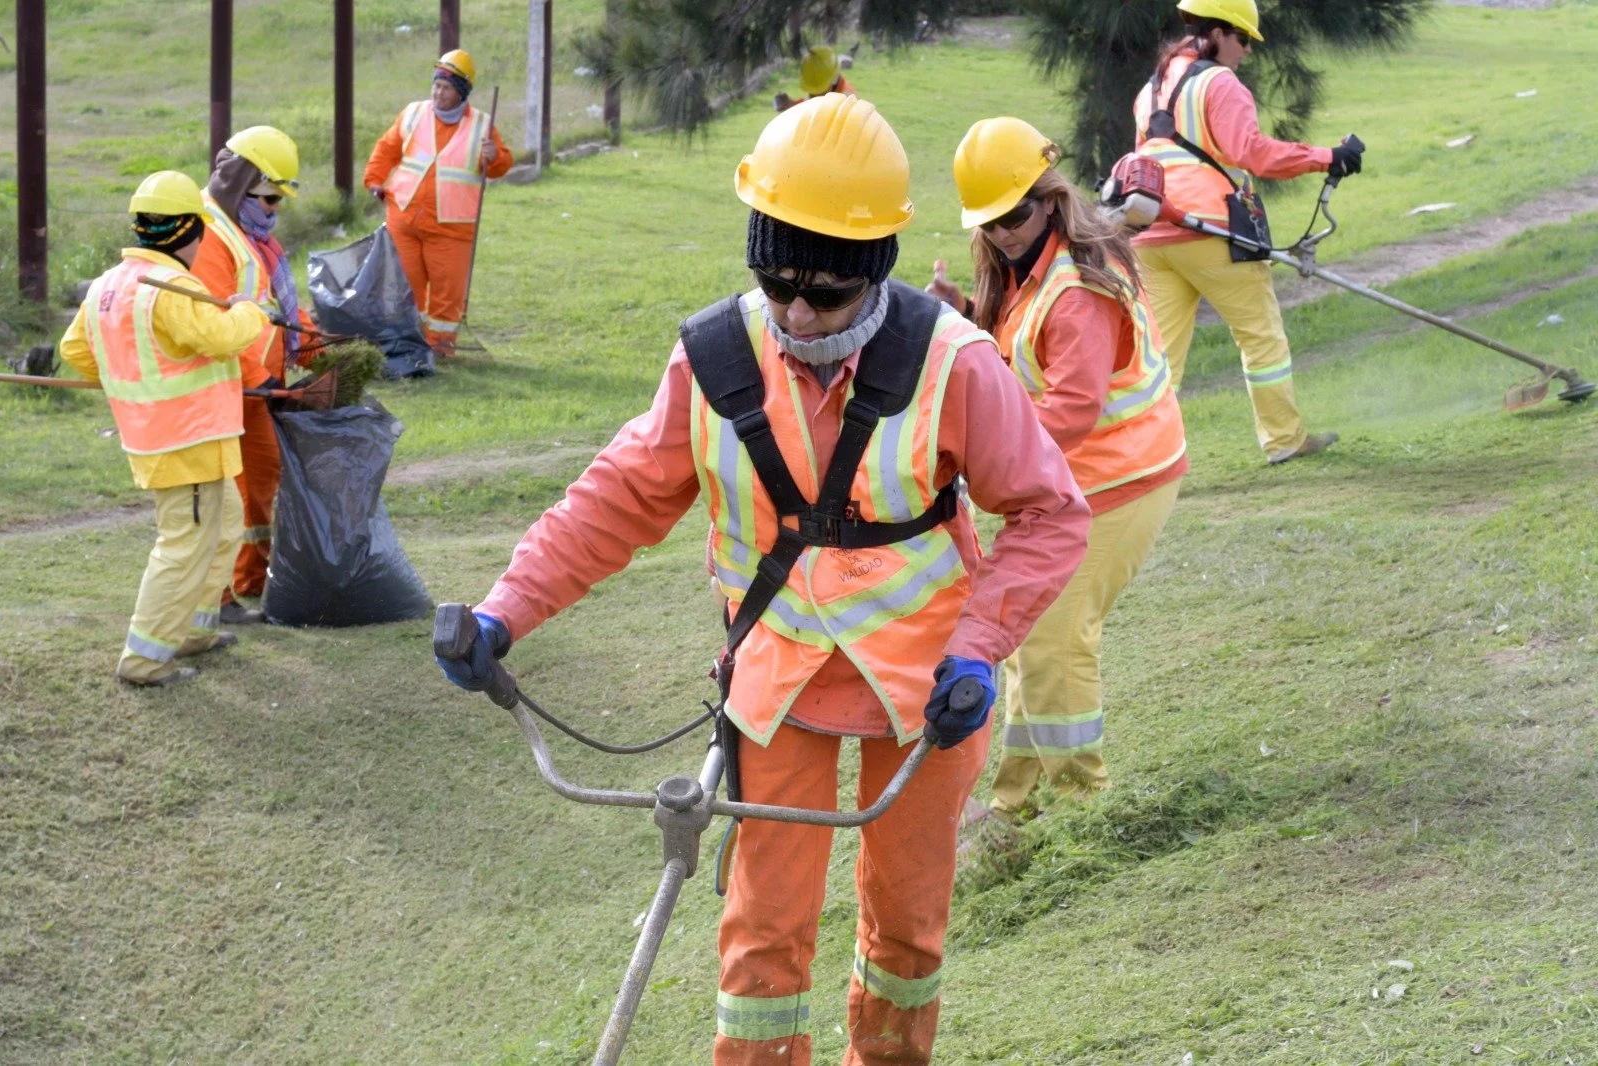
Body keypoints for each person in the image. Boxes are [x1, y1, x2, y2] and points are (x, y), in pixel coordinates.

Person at [437, 94, 1091, 1065]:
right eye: (775, 281)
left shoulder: (953, 364)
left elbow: (1049, 512)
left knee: (907, 932)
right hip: (776, 683)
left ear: (873, 270)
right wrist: (501, 613)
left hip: (925, 693)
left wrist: (977, 651)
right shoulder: (711, 360)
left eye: (823, 294)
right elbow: (615, 498)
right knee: (759, 941)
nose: (794, 312)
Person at [929, 118, 1188, 835]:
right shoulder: (1022, 266)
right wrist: (960, 318)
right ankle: (1018, 800)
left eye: (1014, 215)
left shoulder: (1074, 290)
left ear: (1048, 200)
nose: (1003, 232)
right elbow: (1015, 366)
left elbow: (1070, 411)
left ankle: (1083, 807)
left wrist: (977, 449)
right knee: (1022, 637)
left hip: (1117, 480)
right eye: (988, 221)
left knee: (1053, 642)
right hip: (1071, 483)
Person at [57, 171, 271, 686]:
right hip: (185, 438)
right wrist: (249, 312)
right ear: (190, 232)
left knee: (223, 524)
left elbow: (76, 350)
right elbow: (220, 337)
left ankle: (196, 630)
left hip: (180, 436)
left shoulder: (107, 285)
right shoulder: (173, 288)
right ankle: (144, 659)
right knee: (183, 543)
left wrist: (128, 376)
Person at [1132, 0, 1360, 464]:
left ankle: (1145, 460)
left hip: (1152, 235)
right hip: (1209, 231)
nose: (1248, 51)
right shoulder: (1220, 82)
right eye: (1243, 39)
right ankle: (1284, 440)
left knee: (1159, 361)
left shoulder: (1149, 89)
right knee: (1261, 339)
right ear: (1216, 32)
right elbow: (1253, 153)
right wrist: (1328, 157)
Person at [191, 124, 311, 622]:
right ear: (240, 188)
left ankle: (252, 584)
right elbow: (210, 320)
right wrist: (256, 376)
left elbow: (271, 307)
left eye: (278, 201)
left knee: (261, 488)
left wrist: (314, 343)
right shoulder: (209, 237)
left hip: (256, 386)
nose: (273, 210)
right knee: (227, 501)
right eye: (267, 199)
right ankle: (218, 599)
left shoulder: (250, 236)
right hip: (224, 389)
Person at [364, 49, 513, 357]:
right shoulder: (413, 113)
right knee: (405, 288)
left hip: (452, 227)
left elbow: (501, 165)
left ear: (461, 92)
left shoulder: (482, 126)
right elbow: (387, 149)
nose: (437, 92)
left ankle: (440, 350)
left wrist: (494, 156)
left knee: (447, 294)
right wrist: (375, 180)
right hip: (403, 218)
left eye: (445, 87)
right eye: (435, 85)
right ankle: (405, 345)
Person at [773, 46, 854, 111]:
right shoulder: (833, 91)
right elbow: (812, 104)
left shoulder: (846, 101)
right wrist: (791, 105)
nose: (815, 97)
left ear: (834, 80)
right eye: (811, 94)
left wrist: (793, 108)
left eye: (821, 91)